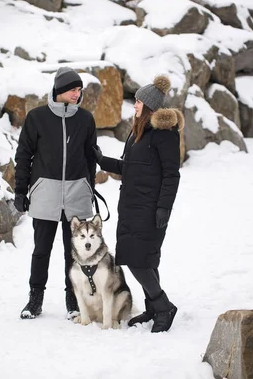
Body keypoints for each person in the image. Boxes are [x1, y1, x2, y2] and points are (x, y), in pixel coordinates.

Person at [93, 75, 183, 333]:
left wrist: (164, 207)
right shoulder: (138, 133)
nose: (135, 105)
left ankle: (164, 306)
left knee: (138, 261)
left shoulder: (164, 134)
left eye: (139, 102)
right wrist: (102, 161)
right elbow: (128, 168)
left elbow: (171, 174)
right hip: (132, 207)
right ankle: (154, 308)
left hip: (150, 209)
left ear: (150, 106)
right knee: (146, 260)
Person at [14, 67, 97, 320]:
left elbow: (90, 157)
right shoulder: (37, 118)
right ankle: (35, 300)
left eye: (79, 89)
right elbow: (24, 156)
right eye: (73, 89)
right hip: (45, 195)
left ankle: (73, 301)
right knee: (41, 250)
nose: (77, 93)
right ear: (59, 90)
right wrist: (21, 190)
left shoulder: (85, 119)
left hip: (76, 195)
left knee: (73, 253)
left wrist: (89, 189)